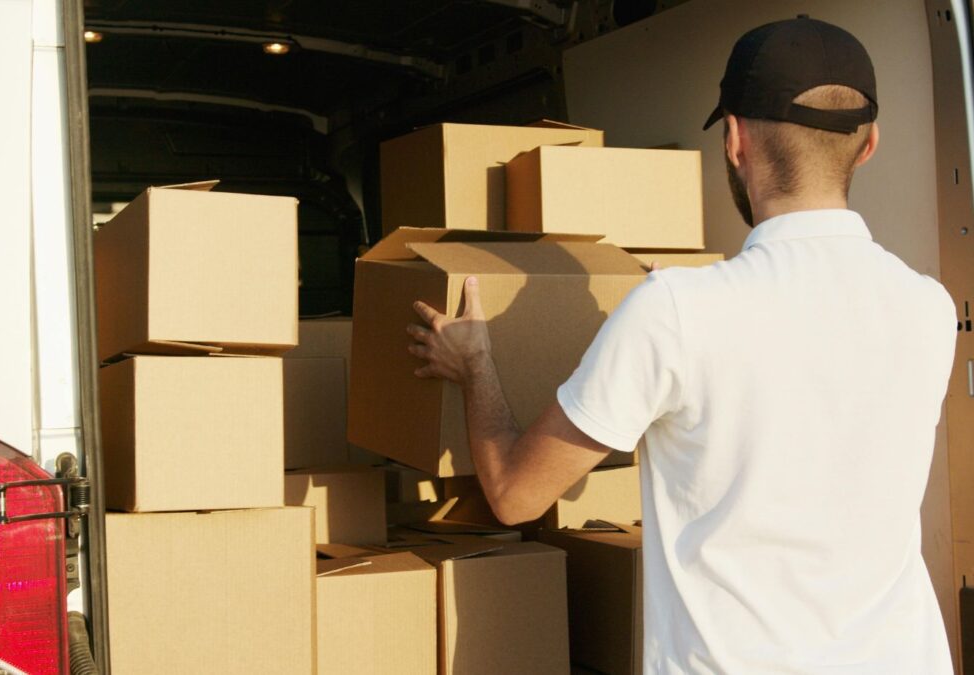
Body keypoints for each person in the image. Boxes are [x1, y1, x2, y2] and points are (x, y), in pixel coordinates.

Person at [406, 16, 957, 674]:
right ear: (868, 146)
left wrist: (475, 367)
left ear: (733, 139)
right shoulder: (929, 308)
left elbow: (516, 495)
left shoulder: (677, 313)